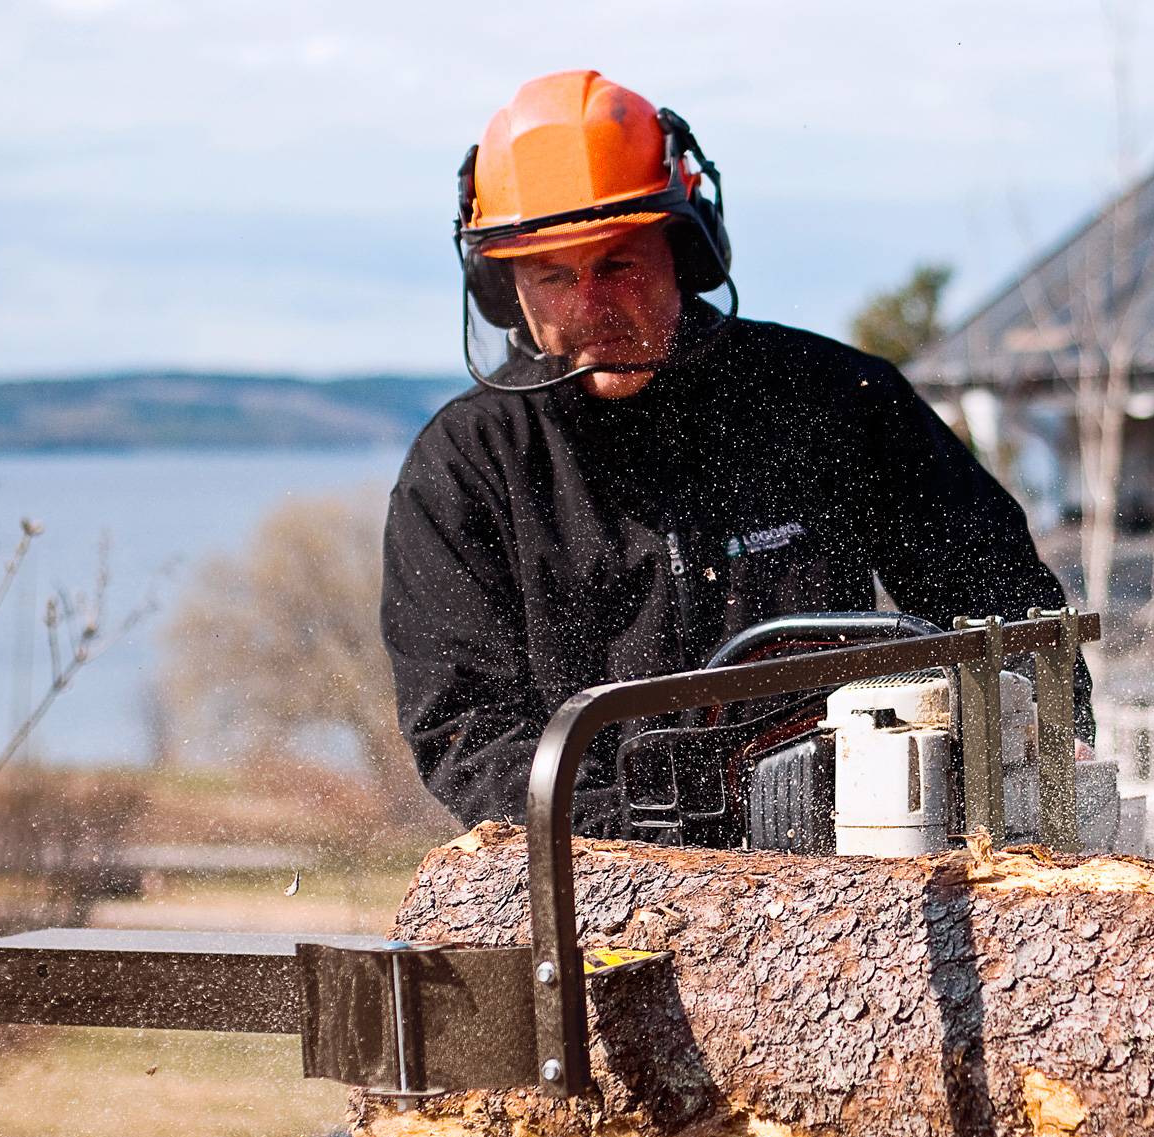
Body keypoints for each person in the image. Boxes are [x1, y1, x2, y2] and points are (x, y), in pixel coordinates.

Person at [382, 68, 1092, 848]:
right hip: (600, 877)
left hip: (857, 852)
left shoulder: (834, 400)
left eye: (619, 264)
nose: (592, 306)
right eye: (556, 276)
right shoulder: (467, 468)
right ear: (502, 284)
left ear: (684, 247)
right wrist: (644, 844)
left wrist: (1041, 754)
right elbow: (465, 728)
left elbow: (1005, 602)